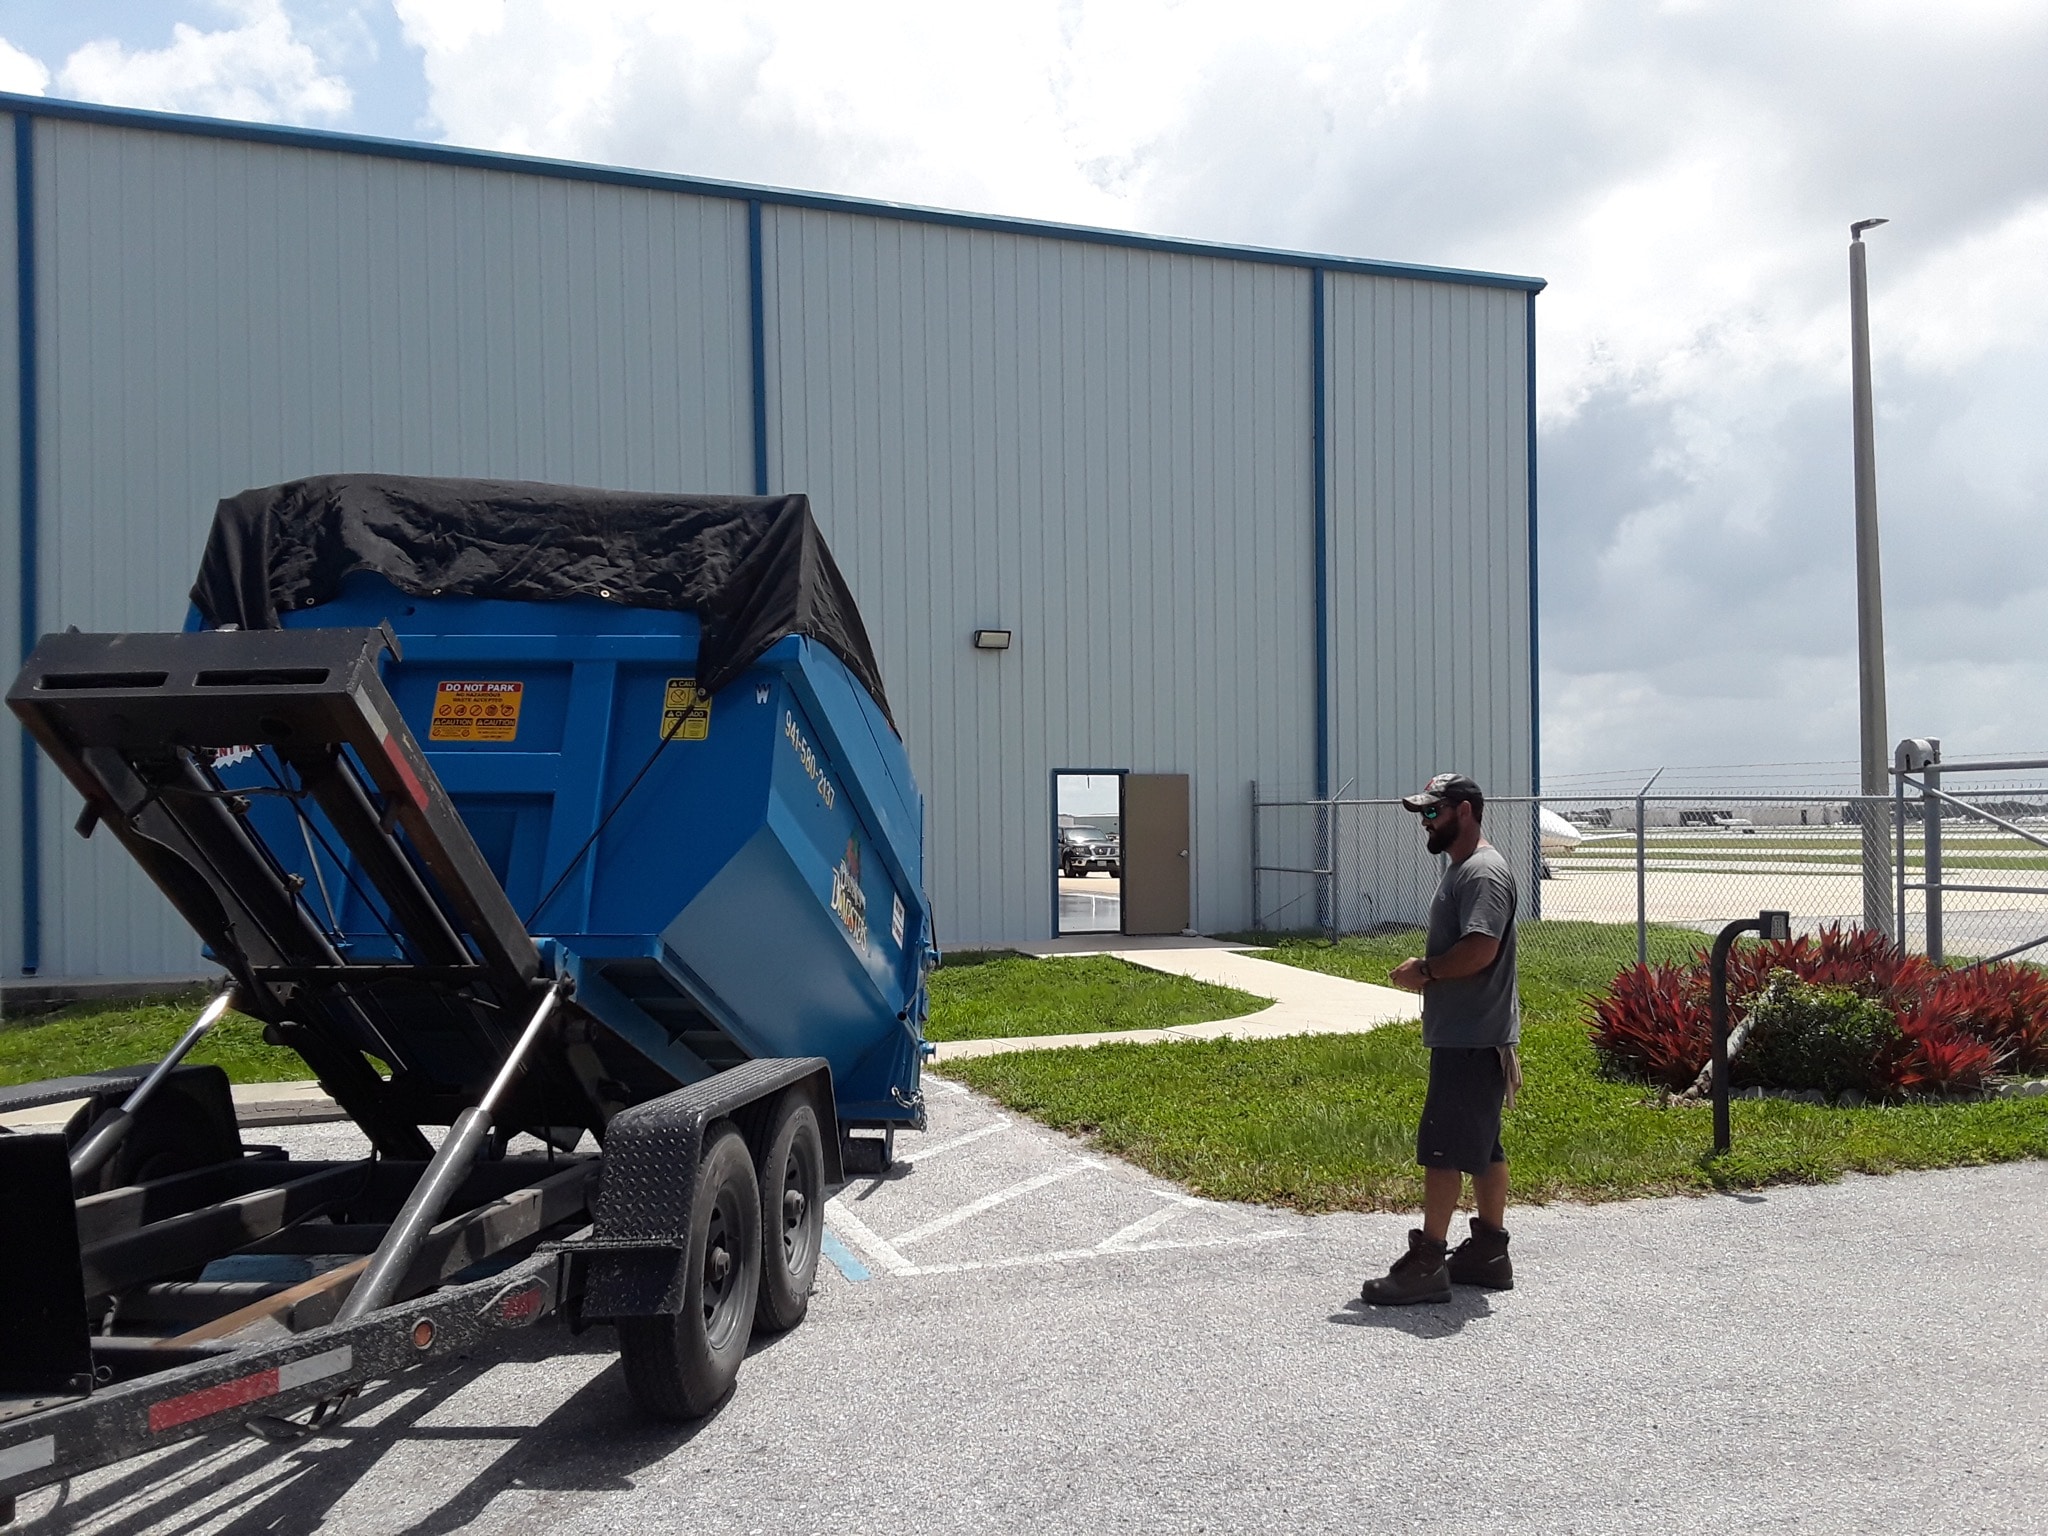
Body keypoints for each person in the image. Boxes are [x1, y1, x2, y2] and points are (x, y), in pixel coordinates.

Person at [1360, 772, 1522, 1305]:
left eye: (1435, 812)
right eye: (1423, 814)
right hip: (1475, 1034)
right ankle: (1489, 1253)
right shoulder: (1464, 869)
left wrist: (1425, 971)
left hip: (1471, 1037)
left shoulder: (1481, 873)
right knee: (1483, 1145)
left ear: (1466, 812)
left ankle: (1429, 1261)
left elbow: (1481, 949)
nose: (1425, 823)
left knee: (1444, 1151)